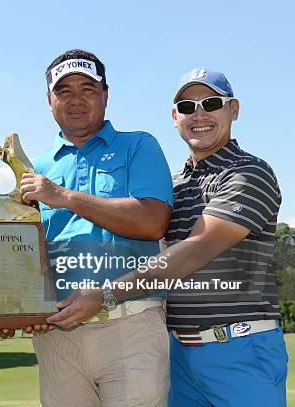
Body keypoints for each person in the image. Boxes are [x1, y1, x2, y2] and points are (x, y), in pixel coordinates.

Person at [69, 68, 286, 406]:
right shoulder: (171, 184)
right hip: (178, 356)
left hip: (240, 350)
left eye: (211, 103)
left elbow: (194, 251)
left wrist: (107, 293)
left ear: (234, 109)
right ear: (175, 117)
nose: (198, 114)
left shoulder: (249, 172)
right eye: (187, 107)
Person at [19, 49, 174, 407]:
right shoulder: (35, 168)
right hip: (59, 334)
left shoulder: (139, 145)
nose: (76, 100)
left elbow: (153, 222)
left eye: (87, 89)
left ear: (105, 95)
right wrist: (25, 307)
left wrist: (63, 196)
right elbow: (27, 253)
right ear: (49, 100)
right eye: (64, 90)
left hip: (130, 325)